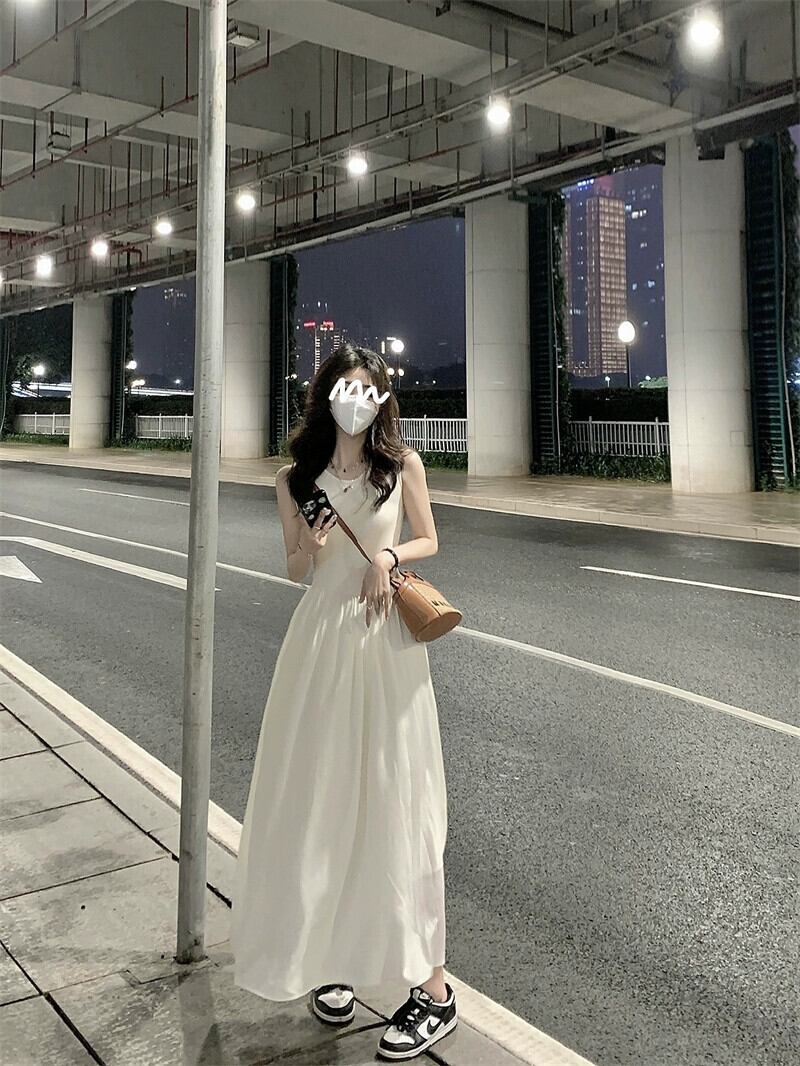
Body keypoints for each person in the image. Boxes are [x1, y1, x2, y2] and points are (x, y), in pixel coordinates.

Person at [231, 344, 457, 1060]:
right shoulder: (295, 478)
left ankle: (434, 993)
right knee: (320, 798)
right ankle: (332, 960)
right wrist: (310, 538)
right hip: (319, 647)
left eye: (368, 388)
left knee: (397, 801)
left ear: (382, 397)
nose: (356, 400)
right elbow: (297, 570)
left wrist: (387, 557)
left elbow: (429, 539)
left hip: (385, 646)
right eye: (344, 387)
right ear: (324, 393)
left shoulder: (402, 466)